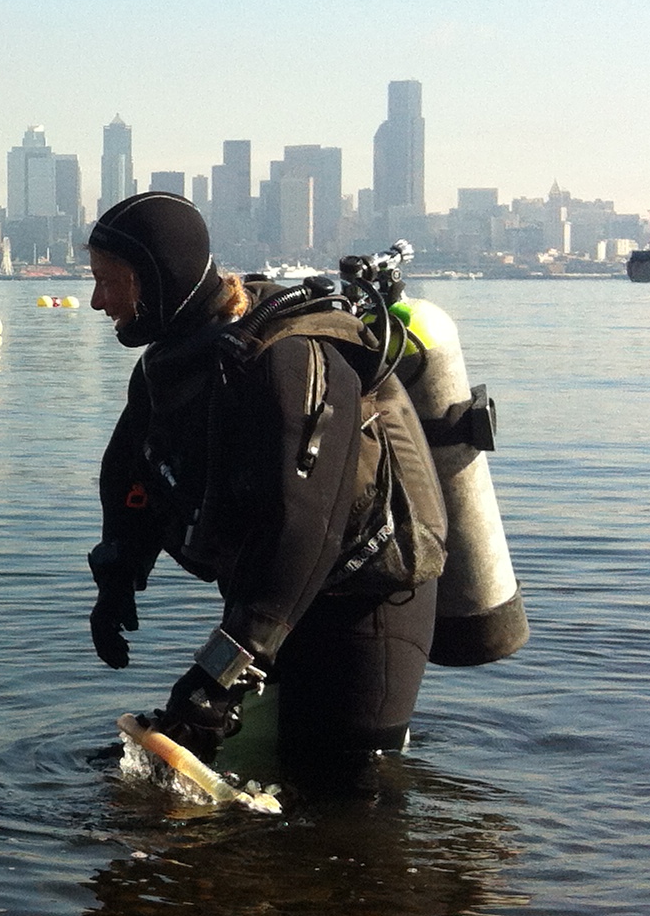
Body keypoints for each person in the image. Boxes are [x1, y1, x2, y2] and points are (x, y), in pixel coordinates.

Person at [83, 191, 445, 784]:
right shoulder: (174, 363)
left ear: (157, 277)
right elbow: (128, 473)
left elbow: (305, 527)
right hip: (268, 600)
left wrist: (219, 673)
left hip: (362, 603)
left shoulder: (289, 360)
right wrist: (117, 576)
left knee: (348, 794)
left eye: (110, 282)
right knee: (250, 779)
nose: (98, 301)